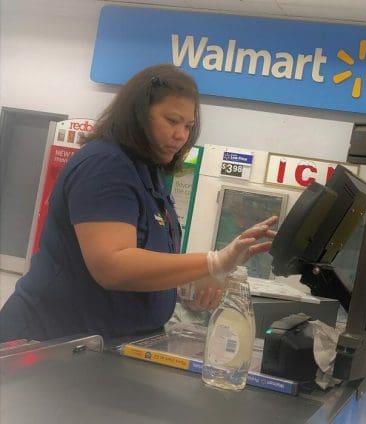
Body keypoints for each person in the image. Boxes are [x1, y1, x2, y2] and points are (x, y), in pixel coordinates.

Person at [0, 64, 277, 343]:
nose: (181, 135)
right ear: (138, 115)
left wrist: (184, 284)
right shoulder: (105, 165)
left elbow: (144, 258)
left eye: (188, 126)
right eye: (172, 121)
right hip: (50, 341)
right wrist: (214, 262)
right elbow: (113, 265)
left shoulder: (149, 171)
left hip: (104, 342)